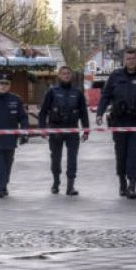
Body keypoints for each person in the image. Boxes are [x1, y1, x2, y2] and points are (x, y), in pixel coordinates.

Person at [95, 48, 136, 199]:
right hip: (119, 121)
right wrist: (99, 113)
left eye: (133, 58)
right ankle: (122, 182)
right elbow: (105, 96)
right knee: (121, 154)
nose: (131, 61)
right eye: (128, 59)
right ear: (124, 60)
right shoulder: (115, 76)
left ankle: (132, 185)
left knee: (134, 154)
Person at [39, 66, 90, 196]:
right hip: (56, 129)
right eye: (63, 74)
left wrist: (86, 130)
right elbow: (43, 111)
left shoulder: (77, 92)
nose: (66, 75)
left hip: (72, 129)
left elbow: (84, 112)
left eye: (68, 73)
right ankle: (56, 182)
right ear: (59, 76)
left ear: (71, 76)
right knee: (56, 158)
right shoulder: (52, 91)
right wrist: (42, 129)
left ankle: (70, 186)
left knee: (72, 158)